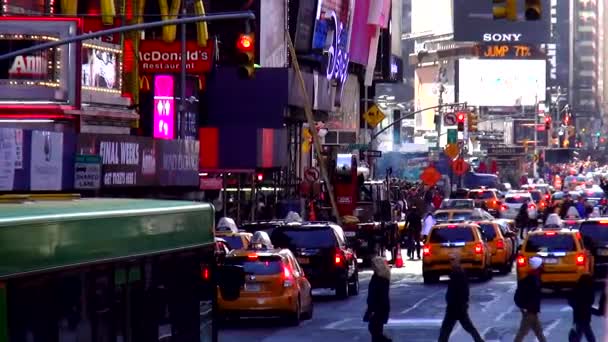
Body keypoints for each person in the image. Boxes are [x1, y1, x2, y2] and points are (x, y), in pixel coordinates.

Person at [438, 254, 485, 342]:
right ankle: (479, 340)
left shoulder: (458, 274)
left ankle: (479, 340)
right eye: (450, 260)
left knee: (447, 328)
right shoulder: (456, 273)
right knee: (465, 327)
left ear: (457, 261)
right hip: (457, 306)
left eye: (453, 260)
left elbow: (462, 291)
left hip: (456, 307)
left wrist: (460, 303)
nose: (451, 262)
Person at [513, 256, 547, 342]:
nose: (543, 266)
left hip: (533, 311)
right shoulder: (529, 281)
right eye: (541, 265)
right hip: (529, 312)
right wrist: (524, 308)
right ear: (538, 267)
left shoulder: (535, 278)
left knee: (538, 332)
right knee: (522, 332)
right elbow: (519, 296)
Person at [365, 256, 391, 342]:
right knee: (375, 331)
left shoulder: (380, 279)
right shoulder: (378, 277)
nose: (372, 266)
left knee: (375, 331)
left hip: (378, 309)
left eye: (373, 265)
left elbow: (381, 296)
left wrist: (372, 310)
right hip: (377, 308)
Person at [568, 274, 596, 342]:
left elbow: (570, 300)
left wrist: (575, 306)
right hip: (586, 314)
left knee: (579, 331)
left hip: (577, 314)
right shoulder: (590, 289)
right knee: (587, 332)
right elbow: (591, 301)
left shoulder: (576, 288)